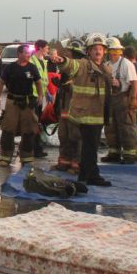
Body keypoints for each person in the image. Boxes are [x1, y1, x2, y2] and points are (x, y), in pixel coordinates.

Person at [49, 33, 113, 187]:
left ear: (105, 51)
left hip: (98, 115)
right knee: (90, 147)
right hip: (86, 115)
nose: (98, 52)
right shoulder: (84, 65)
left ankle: (84, 175)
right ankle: (93, 176)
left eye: (100, 49)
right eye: (94, 49)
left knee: (89, 147)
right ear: (88, 51)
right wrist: (61, 60)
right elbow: (72, 65)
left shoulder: (106, 69)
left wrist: (115, 84)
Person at [0, 44, 44, 168]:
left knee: (29, 130)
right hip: (12, 102)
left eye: (29, 53)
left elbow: (38, 83)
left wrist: (40, 96)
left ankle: (26, 157)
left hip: (27, 103)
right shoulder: (10, 68)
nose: (29, 55)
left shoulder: (32, 68)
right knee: (8, 129)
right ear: (19, 54)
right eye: (26, 53)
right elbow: (1, 83)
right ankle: (5, 157)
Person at [101, 37, 137, 164]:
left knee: (126, 127)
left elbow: (134, 81)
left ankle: (130, 154)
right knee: (110, 126)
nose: (113, 54)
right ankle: (114, 152)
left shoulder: (126, 64)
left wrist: (133, 98)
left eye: (115, 51)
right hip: (110, 98)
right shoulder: (107, 65)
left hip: (123, 98)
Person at [54, 38, 85, 174]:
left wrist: (70, 87)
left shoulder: (82, 67)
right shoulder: (66, 67)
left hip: (76, 106)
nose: (67, 54)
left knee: (75, 136)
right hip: (65, 105)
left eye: (69, 52)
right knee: (63, 134)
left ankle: (76, 164)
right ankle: (64, 162)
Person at [30, 40, 50, 158]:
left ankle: (36, 148)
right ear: (41, 48)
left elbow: (43, 80)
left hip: (40, 96)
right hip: (33, 96)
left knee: (37, 122)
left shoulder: (44, 62)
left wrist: (47, 92)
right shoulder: (32, 61)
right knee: (33, 123)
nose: (48, 50)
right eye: (47, 48)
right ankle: (33, 148)